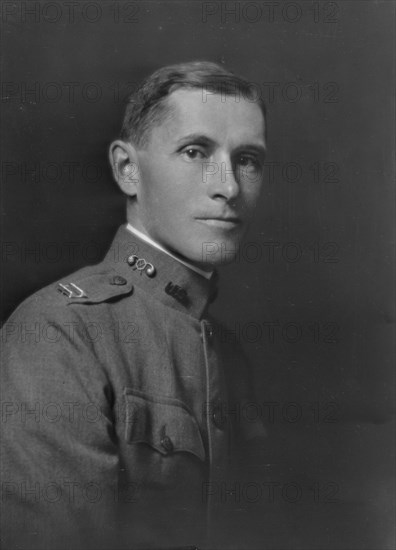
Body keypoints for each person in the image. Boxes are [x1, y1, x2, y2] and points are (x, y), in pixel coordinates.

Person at [1, 61, 268, 550]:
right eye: (195, 151)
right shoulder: (58, 333)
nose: (228, 186)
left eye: (247, 159)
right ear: (128, 170)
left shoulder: (229, 354)